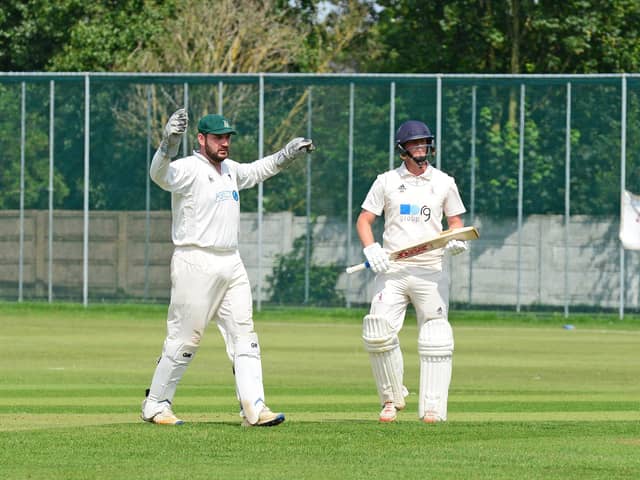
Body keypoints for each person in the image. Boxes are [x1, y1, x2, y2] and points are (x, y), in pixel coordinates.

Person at [141, 108, 314, 426]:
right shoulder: (188, 168)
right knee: (185, 339)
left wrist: (287, 154)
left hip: (231, 262)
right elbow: (159, 175)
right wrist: (168, 142)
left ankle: (254, 407)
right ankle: (155, 404)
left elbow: (258, 170)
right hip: (195, 260)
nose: (224, 143)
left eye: (227, 138)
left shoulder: (230, 170)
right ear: (201, 139)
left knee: (244, 335)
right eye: (218, 138)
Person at [355, 119, 468, 423]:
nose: (422, 148)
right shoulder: (386, 181)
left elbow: (456, 223)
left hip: (430, 271)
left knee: (435, 335)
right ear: (402, 150)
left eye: (425, 143)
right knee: (377, 330)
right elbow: (364, 220)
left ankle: (433, 406)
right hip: (392, 270)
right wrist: (371, 249)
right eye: (415, 144)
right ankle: (392, 398)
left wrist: (455, 240)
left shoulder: (444, 181)